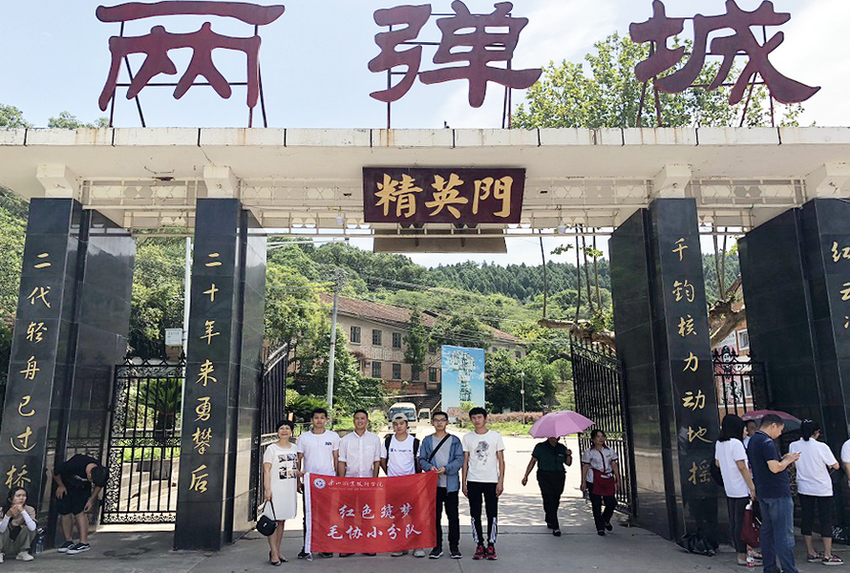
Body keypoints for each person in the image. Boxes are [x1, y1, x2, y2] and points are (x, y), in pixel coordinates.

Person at [747, 414, 800, 573]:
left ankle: (769, 567)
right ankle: (789, 569)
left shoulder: (753, 440)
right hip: (777, 492)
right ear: (773, 426)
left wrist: (782, 459)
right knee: (784, 533)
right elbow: (775, 468)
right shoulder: (767, 442)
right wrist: (788, 460)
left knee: (767, 532)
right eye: (780, 430)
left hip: (763, 491)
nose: (780, 434)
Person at [789, 420, 843, 565]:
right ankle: (827, 553)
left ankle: (810, 551)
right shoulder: (821, 447)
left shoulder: (793, 445)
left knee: (807, 518)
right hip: (822, 487)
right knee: (826, 519)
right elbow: (835, 465)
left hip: (804, 487)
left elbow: (793, 465)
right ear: (816, 432)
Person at [714, 415, 759, 566]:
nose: (745, 431)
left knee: (735, 521)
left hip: (730, 488)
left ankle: (742, 551)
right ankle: (742, 555)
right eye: (744, 428)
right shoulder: (736, 444)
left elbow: (717, 463)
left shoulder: (720, 443)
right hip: (741, 489)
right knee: (743, 523)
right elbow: (742, 467)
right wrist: (752, 487)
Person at [419, 411, 464, 559]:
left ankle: (454, 547)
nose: (439, 423)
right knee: (434, 517)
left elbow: (459, 459)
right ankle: (436, 546)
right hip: (434, 485)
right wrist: (429, 468)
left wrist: (447, 469)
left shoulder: (455, 440)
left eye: (442, 420)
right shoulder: (427, 441)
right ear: (432, 422)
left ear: (447, 423)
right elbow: (422, 459)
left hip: (451, 485)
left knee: (453, 517)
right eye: (436, 420)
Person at [462, 407, 505, 561]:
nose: (477, 420)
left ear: (486, 418)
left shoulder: (495, 436)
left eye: (479, 417)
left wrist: (500, 481)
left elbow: (501, 461)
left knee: (492, 513)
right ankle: (479, 544)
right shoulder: (467, 438)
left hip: (491, 480)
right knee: (475, 514)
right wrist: (464, 482)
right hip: (473, 480)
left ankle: (491, 544)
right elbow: (465, 461)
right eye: (474, 418)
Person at [297, 408, 340, 560]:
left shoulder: (333, 436)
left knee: (326, 515)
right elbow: (299, 459)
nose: (319, 420)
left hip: (328, 481)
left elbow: (336, 458)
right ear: (311, 420)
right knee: (308, 515)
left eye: (322, 417)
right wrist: (298, 480)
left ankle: (325, 546)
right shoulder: (304, 438)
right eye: (316, 418)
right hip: (309, 481)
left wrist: (337, 478)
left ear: (326, 420)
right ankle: (307, 546)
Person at [337, 409, 381, 558]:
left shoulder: (374, 439)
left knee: (366, 515)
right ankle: (348, 547)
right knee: (349, 515)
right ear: (353, 420)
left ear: (367, 421)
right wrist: (342, 482)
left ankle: (367, 545)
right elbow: (341, 462)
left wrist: (374, 481)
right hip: (350, 482)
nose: (360, 421)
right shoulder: (345, 440)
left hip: (368, 482)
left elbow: (376, 461)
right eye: (357, 418)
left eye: (363, 418)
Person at [382, 413, 423, 557]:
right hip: (393, 485)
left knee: (414, 514)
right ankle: (400, 545)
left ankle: (417, 546)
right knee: (396, 515)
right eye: (395, 424)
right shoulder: (388, 442)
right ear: (392, 426)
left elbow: (419, 462)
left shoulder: (415, 442)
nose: (398, 426)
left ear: (407, 425)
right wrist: (390, 474)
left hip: (411, 485)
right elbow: (382, 461)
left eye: (401, 423)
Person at [53, 453, 107, 554]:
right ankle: (68, 541)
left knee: (80, 512)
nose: (92, 482)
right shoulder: (75, 464)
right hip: (66, 484)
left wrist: (91, 500)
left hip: (82, 488)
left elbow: (99, 486)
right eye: (91, 480)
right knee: (65, 512)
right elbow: (56, 472)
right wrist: (61, 485)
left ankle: (83, 542)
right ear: (89, 474)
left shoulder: (101, 471)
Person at [263, 420, 299, 566]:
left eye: (287, 428)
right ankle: (273, 553)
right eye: (281, 428)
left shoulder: (295, 448)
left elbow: (295, 468)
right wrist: (267, 489)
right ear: (277, 431)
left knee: (282, 521)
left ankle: (277, 551)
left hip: (289, 489)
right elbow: (266, 471)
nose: (284, 431)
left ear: (291, 431)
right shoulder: (271, 449)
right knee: (273, 520)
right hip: (276, 489)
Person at [521, 437, 571, 536]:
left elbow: (568, 463)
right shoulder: (540, 447)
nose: (557, 437)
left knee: (556, 499)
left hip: (559, 475)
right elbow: (533, 461)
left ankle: (549, 517)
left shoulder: (562, 447)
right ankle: (555, 526)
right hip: (544, 475)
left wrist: (568, 455)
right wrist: (526, 475)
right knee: (548, 498)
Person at [580, 429, 619, 536]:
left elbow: (614, 464)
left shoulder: (609, 451)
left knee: (611, 503)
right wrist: (583, 481)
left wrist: (617, 478)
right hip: (594, 479)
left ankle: (605, 519)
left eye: (602, 436)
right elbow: (586, 466)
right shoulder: (589, 452)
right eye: (598, 436)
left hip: (607, 478)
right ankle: (600, 527)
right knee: (596, 504)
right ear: (593, 439)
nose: (601, 439)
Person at [0, 487, 36, 562]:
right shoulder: (2, 510)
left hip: (18, 543)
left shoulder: (29, 509)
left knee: (29, 527)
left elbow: (32, 528)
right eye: (18, 496)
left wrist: (23, 511)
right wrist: (7, 515)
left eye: (24, 496)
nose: (21, 498)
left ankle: (23, 552)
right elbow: (1, 530)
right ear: (10, 499)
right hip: (5, 544)